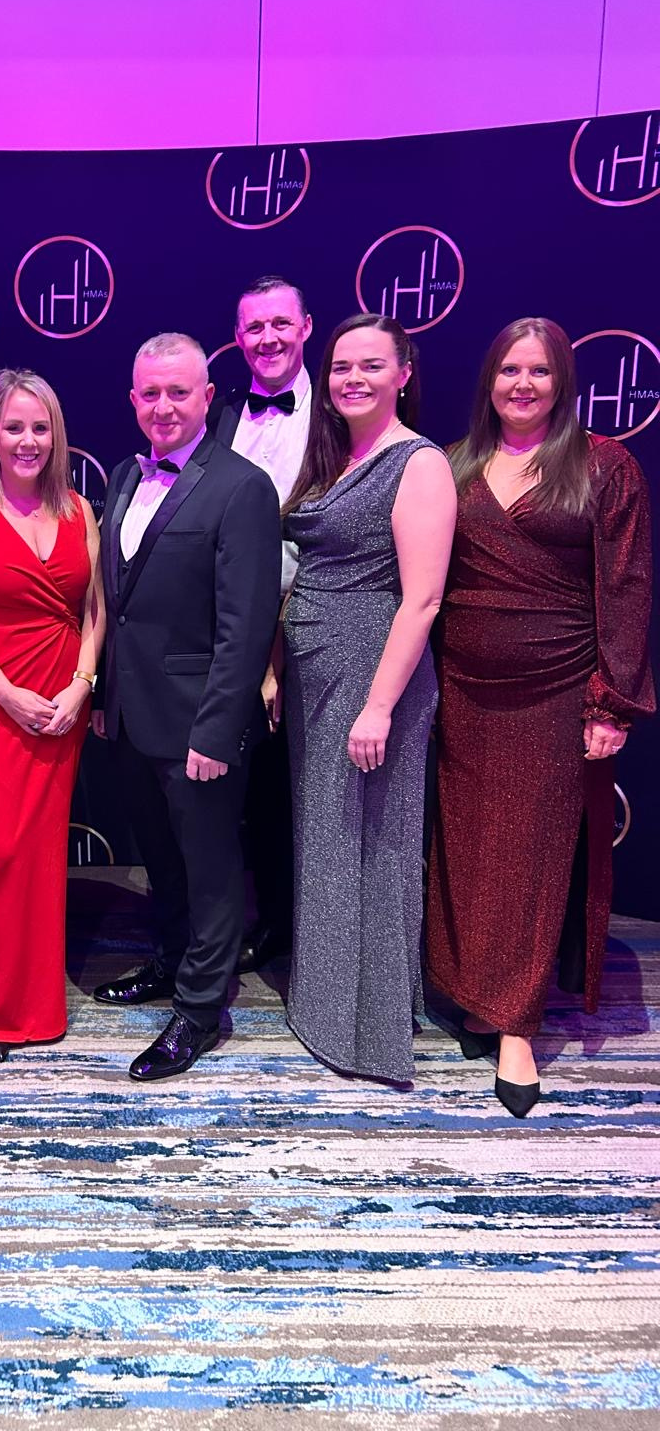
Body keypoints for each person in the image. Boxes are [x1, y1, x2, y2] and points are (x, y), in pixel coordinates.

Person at [426, 318, 654, 1117]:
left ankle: (517, 1025)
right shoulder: (453, 464)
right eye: (509, 370)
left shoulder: (605, 465)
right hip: (463, 688)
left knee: (531, 858)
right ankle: (472, 993)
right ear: (488, 380)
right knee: (467, 850)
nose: (522, 385)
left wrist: (612, 699)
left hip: (557, 692)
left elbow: (625, 588)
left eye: (540, 371)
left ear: (563, 382)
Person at [92, 333, 281, 1080]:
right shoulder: (120, 475)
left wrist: (218, 728)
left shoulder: (243, 487)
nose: (163, 406)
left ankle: (200, 1010)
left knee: (209, 868)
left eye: (179, 392)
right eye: (150, 393)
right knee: (161, 860)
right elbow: (117, 606)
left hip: (200, 720)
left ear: (207, 397)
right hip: (132, 715)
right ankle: (170, 962)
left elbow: (247, 625)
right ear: (132, 399)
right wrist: (106, 696)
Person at [276, 313, 456, 1087]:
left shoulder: (419, 463)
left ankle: (368, 1029)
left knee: (372, 844)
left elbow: (422, 600)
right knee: (327, 840)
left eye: (371, 365)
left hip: (372, 675)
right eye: (342, 366)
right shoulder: (335, 458)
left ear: (404, 375)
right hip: (315, 677)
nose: (353, 378)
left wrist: (379, 706)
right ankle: (323, 1006)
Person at [0, 370, 103, 1061]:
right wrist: (6, 694)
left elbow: (95, 613)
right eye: (14, 427)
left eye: (40, 427)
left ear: (55, 436)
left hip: (62, 700)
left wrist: (81, 687)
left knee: (43, 852)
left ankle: (42, 1005)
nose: (28, 440)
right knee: (2, 850)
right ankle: (0, 1010)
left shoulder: (80, 510)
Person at [209, 276, 314, 973]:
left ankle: (305, 928)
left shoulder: (336, 415)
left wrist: (277, 645)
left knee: (299, 786)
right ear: (238, 337)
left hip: (309, 627)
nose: (268, 338)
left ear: (305, 327)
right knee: (243, 788)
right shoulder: (220, 415)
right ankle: (261, 918)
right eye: (255, 327)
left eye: (281, 324)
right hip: (225, 630)